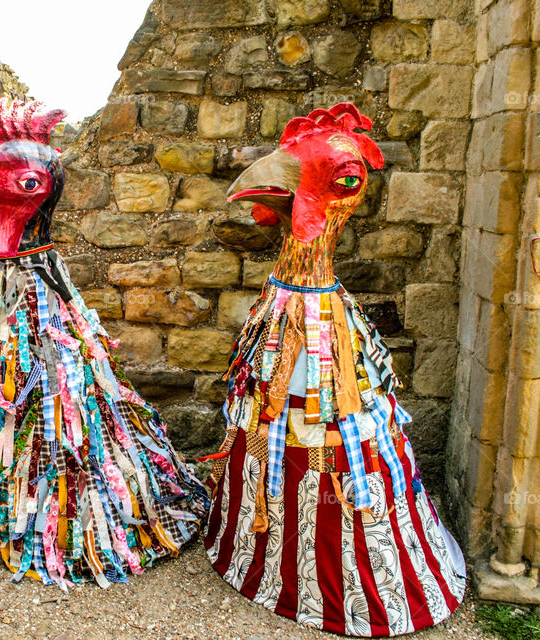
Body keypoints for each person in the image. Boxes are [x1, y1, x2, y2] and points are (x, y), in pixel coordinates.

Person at [0, 98, 209, 588]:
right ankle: (8, 504)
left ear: (39, 191)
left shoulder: (49, 302)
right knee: (2, 397)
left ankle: (70, 524)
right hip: (7, 289)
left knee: (63, 402)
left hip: (36, 295)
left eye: (19, 179)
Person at [205, 103, 466, 636]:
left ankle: (347, 572)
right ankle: (266, 548)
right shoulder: (278, 300)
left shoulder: (326, 262)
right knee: (272, 414)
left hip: (319, 317)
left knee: (339, 417)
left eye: (336, 176)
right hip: (290, 307)